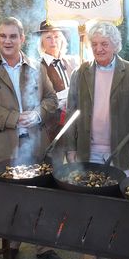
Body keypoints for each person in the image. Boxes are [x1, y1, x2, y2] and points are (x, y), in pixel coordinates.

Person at [0, 17, 63, 259]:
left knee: (40, 194)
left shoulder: (35, 66)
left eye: (13, 36)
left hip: (34, 142)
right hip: (3, 142)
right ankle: (10, 245)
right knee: (8, 198)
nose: (7, 41)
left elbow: (52, 99)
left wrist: (39, 113)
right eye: (2, 36)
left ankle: (44, 246)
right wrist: (12, 118)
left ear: (22, 39)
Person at [65, 21, 129, 259]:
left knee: (119, 200)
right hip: (89, 150)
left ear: (115, 45)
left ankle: (119, 245)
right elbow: (71, 112)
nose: (99, 49)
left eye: (104, 44)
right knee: (90, 200)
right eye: (95, 44)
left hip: (120, 150)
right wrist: (70, 146)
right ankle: (92, 244)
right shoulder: (81, 73)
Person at [35, 20, 78, 162]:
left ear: (63, 40)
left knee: (76, 171)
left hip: (75, 128)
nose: (53, 41)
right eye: (48, 37)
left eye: (56, 36)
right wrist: (66, 96)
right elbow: (38, 99)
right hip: (52, 129)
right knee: (54, 168)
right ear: (42, 42)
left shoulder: (73, 62)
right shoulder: (36, 67)